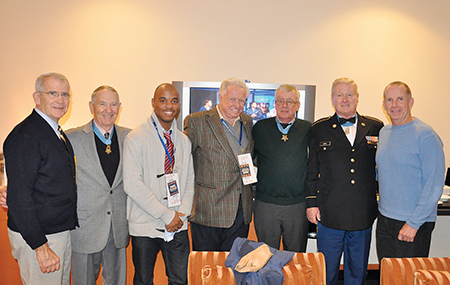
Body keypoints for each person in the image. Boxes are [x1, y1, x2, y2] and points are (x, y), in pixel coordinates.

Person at [305, 78, 383, 285]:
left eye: (350, 94)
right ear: (332, 99)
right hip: (329, 212)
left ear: (357, 98)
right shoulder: (319, 129)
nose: (345, 99)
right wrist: (311, 203)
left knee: (357, 272)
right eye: (339, 95)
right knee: (326, 271)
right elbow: (312, 169)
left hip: (362, 213)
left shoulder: (376, 127)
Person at [3, 73, 78, 284]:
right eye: (52, 93)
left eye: (65, 94)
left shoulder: (54, 132)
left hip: (57, 234)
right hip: (41, 239)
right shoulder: (25, 136)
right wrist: (40, 246)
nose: (60, 100)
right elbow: (19, 198)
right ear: (37, 97)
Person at [123, 83, 194, 285]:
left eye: (174, 101)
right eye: (163, 100)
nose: (168, 106)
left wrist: (182, 212)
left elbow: (189, 179)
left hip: (178, 224)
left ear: (179, 104)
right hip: (146, 224)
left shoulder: (183, 140)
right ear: (153, 103)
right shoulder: (136, 138)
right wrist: (165, 214)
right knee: (144, 280)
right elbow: (132, 184)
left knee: (180, 279)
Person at [66, 85, 130, 284]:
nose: (108, 110)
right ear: (91, 106)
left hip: (118, 228)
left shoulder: (131, 137)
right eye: (102, 104)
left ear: (119, 107)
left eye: (113, 104)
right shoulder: (71, 138)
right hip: (85, 228)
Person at [376, 81, 445, 261]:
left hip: (413, 223)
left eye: (400, 99)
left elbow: (434, 185)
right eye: (390, 100)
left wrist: (413, 224)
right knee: (388, 276)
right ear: (384, 105)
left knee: (409, 278)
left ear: (410, 102)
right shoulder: (384, 133)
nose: (395, 105)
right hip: (385, 218)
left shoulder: (425, 135)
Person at [184, 77, 254, 251]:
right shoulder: (197, 121)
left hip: (241, 211)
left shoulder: (247, 121)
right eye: (232, 99)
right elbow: (183, 162)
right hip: (209, 211)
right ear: (220, 96)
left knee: (233, 268)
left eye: (241, 100)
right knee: (207, 269)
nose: (237, 105)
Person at [252, 84, 311, 252]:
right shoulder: (260, 128)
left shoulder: (308, 129)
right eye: (280, 101)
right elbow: (249, 158)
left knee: (296, 257)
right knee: (266, 256)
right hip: (266, 204)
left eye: (290, 101)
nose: (285, 106)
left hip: (297, 205)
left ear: (298, 105)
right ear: (275, 104)